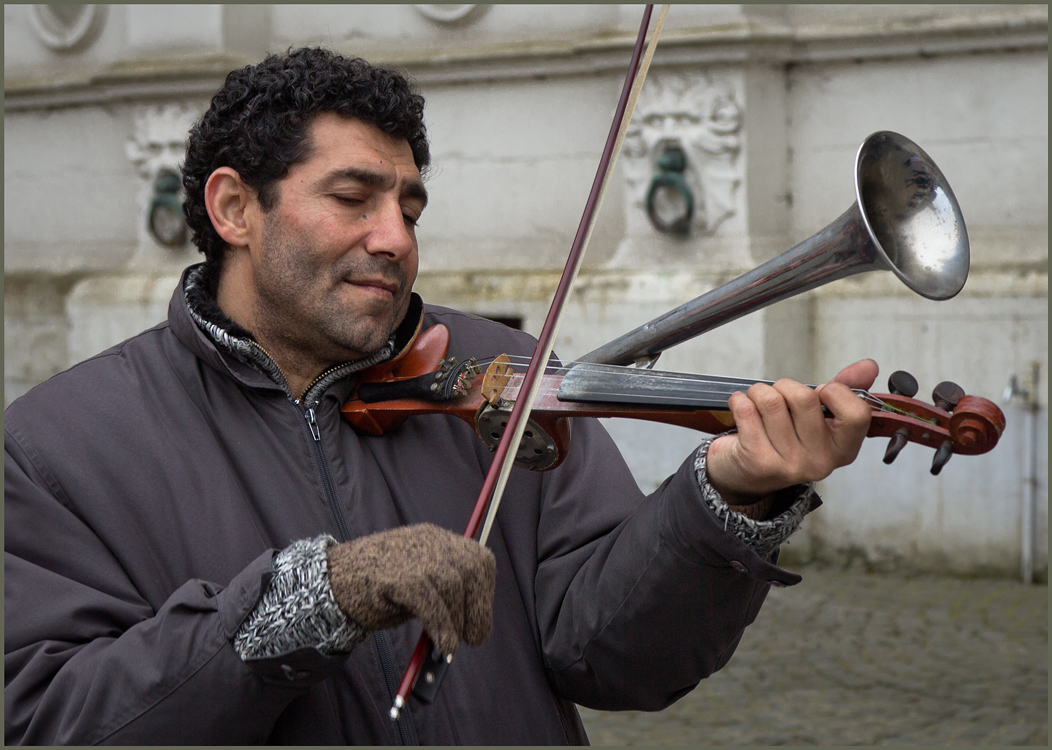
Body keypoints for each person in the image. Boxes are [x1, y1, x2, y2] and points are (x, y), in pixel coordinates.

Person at [4, 47, 877, 745]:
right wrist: (310, 599)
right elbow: (55, 719)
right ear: (234, 207)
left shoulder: (502, 371)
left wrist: (726, 498)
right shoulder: (56, 447)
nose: (394, 238)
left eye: (410, 208)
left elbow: (613, 659)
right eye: (353, 198)